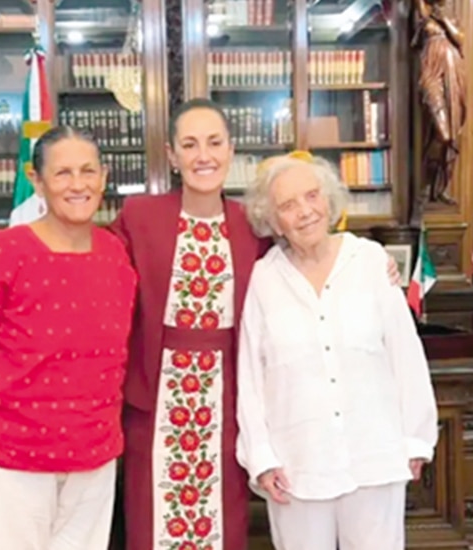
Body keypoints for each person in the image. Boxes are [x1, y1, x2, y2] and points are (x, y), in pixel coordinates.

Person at [108, 98, 400, 549]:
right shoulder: (139, 217)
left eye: (214, 142)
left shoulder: (254, 225)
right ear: (172, 155)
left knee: (224, 521)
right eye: (190, 144)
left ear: (230, 149)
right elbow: (97, 272)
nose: (203, 155)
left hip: (228, 398)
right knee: (152, 524)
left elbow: (311, 246)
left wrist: (373, 262)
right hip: (160, 399)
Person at [0, 126, 138, 550]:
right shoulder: (1, 252)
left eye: (88, 171)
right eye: (62, 173)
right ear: (37, 180)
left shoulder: (115, 254)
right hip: (11, 459)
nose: (78, 184)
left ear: (104, 177)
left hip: (94, 454)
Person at [236, 154, 438, 550]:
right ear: (274, 221)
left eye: (312, 196)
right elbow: (251, 377)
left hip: (374, 454)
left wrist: (416, 438)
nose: (305, 211)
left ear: (328, 200)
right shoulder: (264, 278)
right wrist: (260, 457)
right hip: (297, 464)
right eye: (288, 205)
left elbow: (405, 355)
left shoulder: (371, 261)